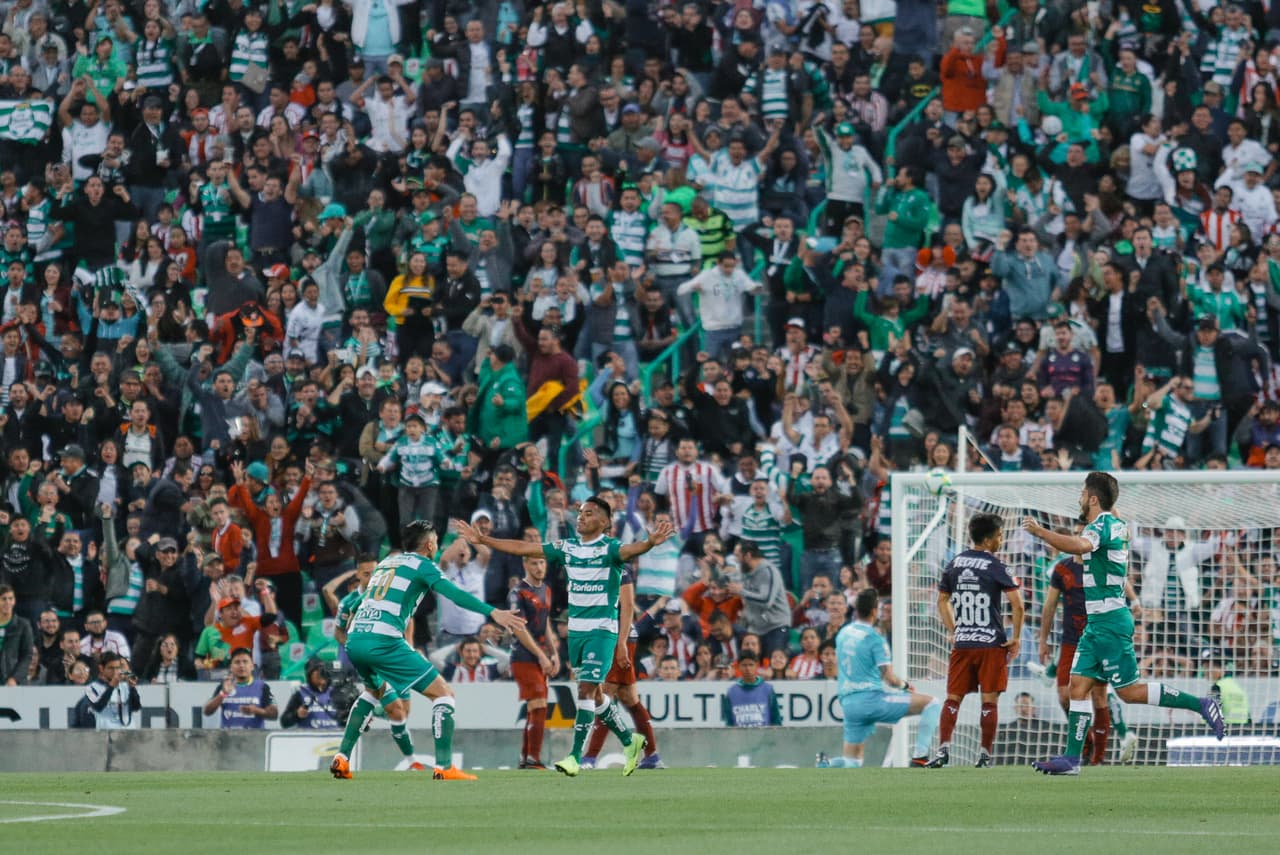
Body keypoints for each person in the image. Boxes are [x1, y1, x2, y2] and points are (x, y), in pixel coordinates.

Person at [455, 496, 675, 777]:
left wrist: (648, 543)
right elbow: (524, 547)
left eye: (590, 513)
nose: (582, 517)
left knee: (584, 689)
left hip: (602, 631)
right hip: (577, 633)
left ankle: (574, 756)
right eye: (581, 512)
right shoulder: (567, 547)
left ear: (606, 522)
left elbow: (633, 550)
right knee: (595, 695)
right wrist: (484, 540)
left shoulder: (611, 549)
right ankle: (629, 740)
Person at [1022, 472, 1225, 775]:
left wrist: (1041, 532)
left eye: (1082, 493)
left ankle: (1202, 705)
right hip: (1097, 623)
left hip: (1111, 621)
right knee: (1077, 687)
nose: (1079, 498)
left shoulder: (1101, 525)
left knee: (1128, 692)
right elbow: (1108, 519)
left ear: (1093, 498)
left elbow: (1078, 545)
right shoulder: (1115, 523)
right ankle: (1072, 760)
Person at [329, 520, 525, 781]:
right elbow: (454, 594)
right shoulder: (423, 565)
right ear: (430, 544)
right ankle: (444, 767)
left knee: (372, 693)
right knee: (443, 695)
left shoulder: (387, 564)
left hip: (356, 639)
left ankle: (341, 758)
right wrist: (494, 612)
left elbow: (356, 607)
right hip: (384, 640)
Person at [925, 512, 1025, 768]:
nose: (1002, 540)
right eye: (1000, 536)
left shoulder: (954, 563)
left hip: (964, 643)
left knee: (953, 698)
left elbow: (941, 601)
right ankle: (984, 755)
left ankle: (943, 749)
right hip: (991, 644)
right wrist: (1015, 638)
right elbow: (1018, 606)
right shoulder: (996, 566)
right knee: (989, 701)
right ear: (990, 539)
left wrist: (954, 629)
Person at [817, 588, 942, 768]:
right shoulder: (875, 638)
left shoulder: (843, 633)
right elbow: (889, 678)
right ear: (874, 611)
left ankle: (825, 765)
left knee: (853, 762)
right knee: (932, 704)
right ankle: (920, 757)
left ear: (857, 609)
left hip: (849, 703)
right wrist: (904, 685)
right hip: (871, 700)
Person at [1038, 546, 1139, 765]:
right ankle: (1087, 741)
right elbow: (1050, 604)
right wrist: (1043, 640)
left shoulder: (1102, 564)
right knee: (1065, 695)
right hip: (1071, 641)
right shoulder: (1062, 569)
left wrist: (1135, 600)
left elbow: (1121, 582)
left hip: (1099, 639)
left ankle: (1097, 759)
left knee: (1099, 696)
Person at [508, 555, 560, 769]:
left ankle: (526, 757)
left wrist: (554, 652)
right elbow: (519, 628)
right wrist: (540, 654)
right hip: (523, 655)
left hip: (540, 654)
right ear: (525, 565)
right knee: (538, 704)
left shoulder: (546, 589)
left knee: (536, 708)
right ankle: (533, 759)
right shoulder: (517, 592)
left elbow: (545, 622)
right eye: (534, 563)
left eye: (542, 563)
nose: (539, 567)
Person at [202, 647, 278, 729]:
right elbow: (207, 711)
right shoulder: (224, 685)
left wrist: (256, 711)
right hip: (228, 738)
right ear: (231, 667)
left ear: (252, 666)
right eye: (237, 662)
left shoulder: (262, 686)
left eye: (245, 662)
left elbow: (274, 714)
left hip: (255, 739)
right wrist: (223, 694)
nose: (241, 665)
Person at [84, 650, 142, 729]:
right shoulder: (91, 688)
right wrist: (111, 686)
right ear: (101, 668)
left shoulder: (125, 685)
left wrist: (132, 688)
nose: (115, 672)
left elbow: (136, 707)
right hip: (107, 735)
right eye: (111, 668)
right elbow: (98, 707)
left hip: (128, 733)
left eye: (117, 668)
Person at [721, 652, 781, 726]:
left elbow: (776, 719)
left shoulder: (768, 689)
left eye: (751, 665)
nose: (748, 669)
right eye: (744, 665)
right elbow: (728, 722)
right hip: (739, 737)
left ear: (757, 666)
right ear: (738, 667)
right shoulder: (731, 692)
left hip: (764, 737)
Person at [281, 659, 342, 729]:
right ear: (309, 676)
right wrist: (296, 715)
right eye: (317, 672)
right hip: (310, 737)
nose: (321, 675)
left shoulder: (336, 692)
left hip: (334, 736)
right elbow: (284, 722)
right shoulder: (300, 693)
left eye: (322, 672)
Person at [0, 584, 34, 685]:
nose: (8, 602)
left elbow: (27, 655)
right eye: (4, 599)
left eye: (11, 598)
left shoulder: (23, 625)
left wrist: (15, 678)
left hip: (13, 682)